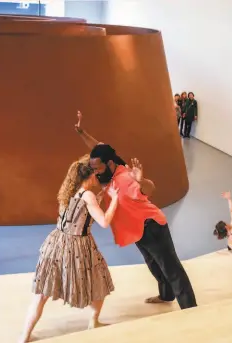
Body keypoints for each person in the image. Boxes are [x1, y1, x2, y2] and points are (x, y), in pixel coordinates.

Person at [73, 111, 197, 310]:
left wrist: (141, 180)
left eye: (97, 167)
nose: (94, 171)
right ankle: (166, 295)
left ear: (109, 164)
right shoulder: (110, 167)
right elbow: (98, 148)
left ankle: (190, 308)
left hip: (151, 227)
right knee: (154, 265)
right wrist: (82, 133)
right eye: (93, 167)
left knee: (171, 268)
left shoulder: (126, 175)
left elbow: (150, 189)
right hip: (138, 231)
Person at [19, 155, 120, 343]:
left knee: (41, 294)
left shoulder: (69, 191)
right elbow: (104, 222)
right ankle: (93, 320)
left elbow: (79, 211)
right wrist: (115, 199)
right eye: (96, 174)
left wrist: (100, 196)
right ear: (89, 177)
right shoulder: (88, 195)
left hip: (56, 242)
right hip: (78, 246)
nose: (98, 177)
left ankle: (24, 336)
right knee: (99, 280)